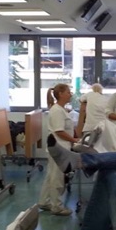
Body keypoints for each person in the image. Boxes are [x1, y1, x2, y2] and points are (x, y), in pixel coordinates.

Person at [38, 83, 80, 216]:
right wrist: (74, 140)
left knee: (51, 176)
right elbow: (59, 131)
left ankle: (44, 202)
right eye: (68, 92)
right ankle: (56, 206)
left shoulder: (61, 109)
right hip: (59, 149)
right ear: (60, 94)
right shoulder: (57, 111)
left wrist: (73, 138)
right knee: (57, 178)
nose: (70, 94)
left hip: (59, 148)